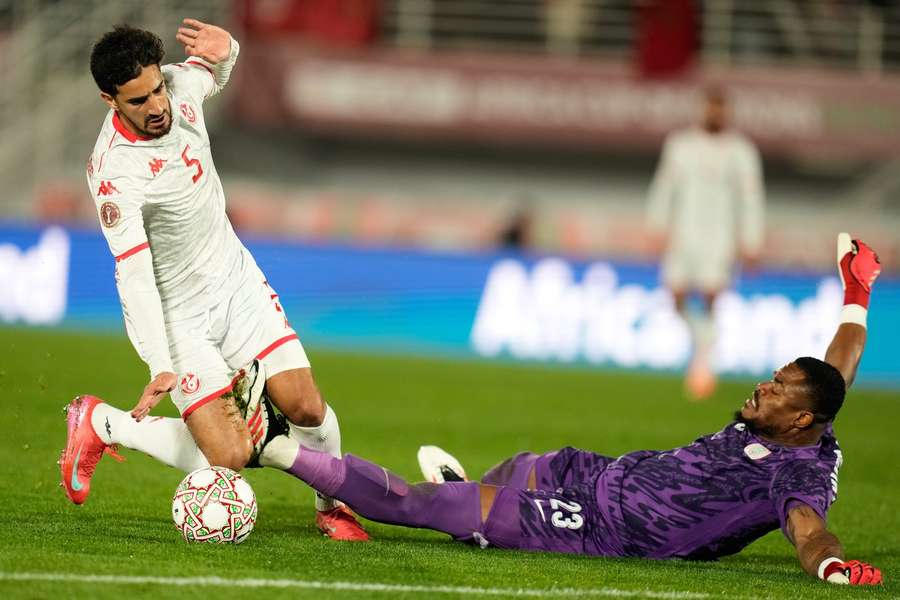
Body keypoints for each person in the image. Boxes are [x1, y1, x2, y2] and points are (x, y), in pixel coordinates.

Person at [258, 234, 882, 585]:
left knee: (419, 505)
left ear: (803, 422)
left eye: (777, 390)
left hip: (604, 530)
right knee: (524, 464)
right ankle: (476, 507)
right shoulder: (813, 409)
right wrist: (857, 287)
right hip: (611, 475)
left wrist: (831, 566)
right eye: (773, 378)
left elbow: (808, 531)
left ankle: (275, 446)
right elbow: (840, 365)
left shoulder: (796, 476)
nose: (762, 388)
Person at [59, 20, 367, 540]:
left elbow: (212, 71)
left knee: (307, 407)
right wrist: (159, 361)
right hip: (180, 314)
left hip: (237, 282)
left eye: (157, 88)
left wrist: (230, 50)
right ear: (108, 99)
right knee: (229, 454)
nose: (157, 105)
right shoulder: (113, 172)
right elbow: (133, 273)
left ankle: (333, 505)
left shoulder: (178, 87)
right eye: (138, 100)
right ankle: (101, 422)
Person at [646, 88, 765, 399]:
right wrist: (656, 226)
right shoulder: (680, 145)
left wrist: (751, 241)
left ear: (726, 112)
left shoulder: (741, 150)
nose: (715, 115)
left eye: (720, 109)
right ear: (702, 110)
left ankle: (702, 364)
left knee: (712, 296)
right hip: (683, 234)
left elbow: (751, 199)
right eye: (711, 109)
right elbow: (664, 186)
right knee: (676, 296)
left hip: (720, 237)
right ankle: (703, 343)